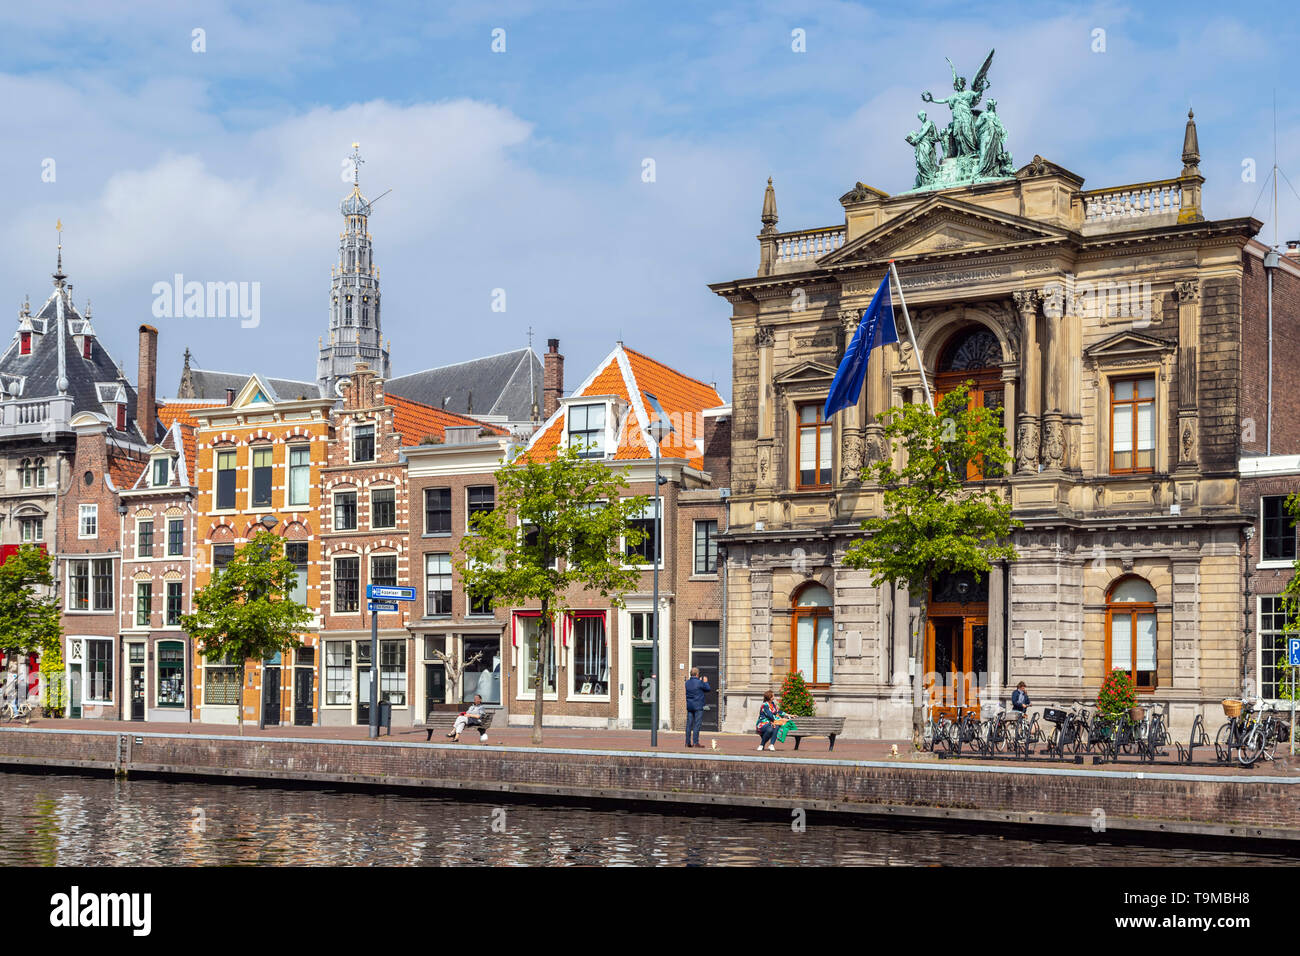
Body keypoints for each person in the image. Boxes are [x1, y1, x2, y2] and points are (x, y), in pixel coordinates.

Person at [683, 668, 712, 747]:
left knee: (689, 725)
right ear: (697, 674)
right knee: (697, 724)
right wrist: (705, 682)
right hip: (698, 706)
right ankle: (695, 742)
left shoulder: (687, 683)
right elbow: (708, 689)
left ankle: (687, 742)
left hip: (689, 706)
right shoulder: (699, 682)